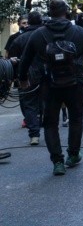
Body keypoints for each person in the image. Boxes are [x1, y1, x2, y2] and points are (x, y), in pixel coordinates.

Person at [18, 0, 83, 175]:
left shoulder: (38, 34)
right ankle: (73, 155)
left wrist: (22, 79)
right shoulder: (79, 31)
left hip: (49, 84)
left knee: (50, 123)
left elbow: (25, 59)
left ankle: (57, 162)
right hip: (75, 83)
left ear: (50, 12)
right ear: (66, 12)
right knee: (76, 119)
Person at [8, 11, 44, 145]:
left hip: (26, 76)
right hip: (45, 75)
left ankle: (34, 134)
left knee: (28, 105)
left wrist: (16, 77)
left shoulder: (18, 39)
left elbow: (12, 60)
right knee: (45, 102)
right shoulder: (46, 35)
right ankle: (44, 125)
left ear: (28, 22)